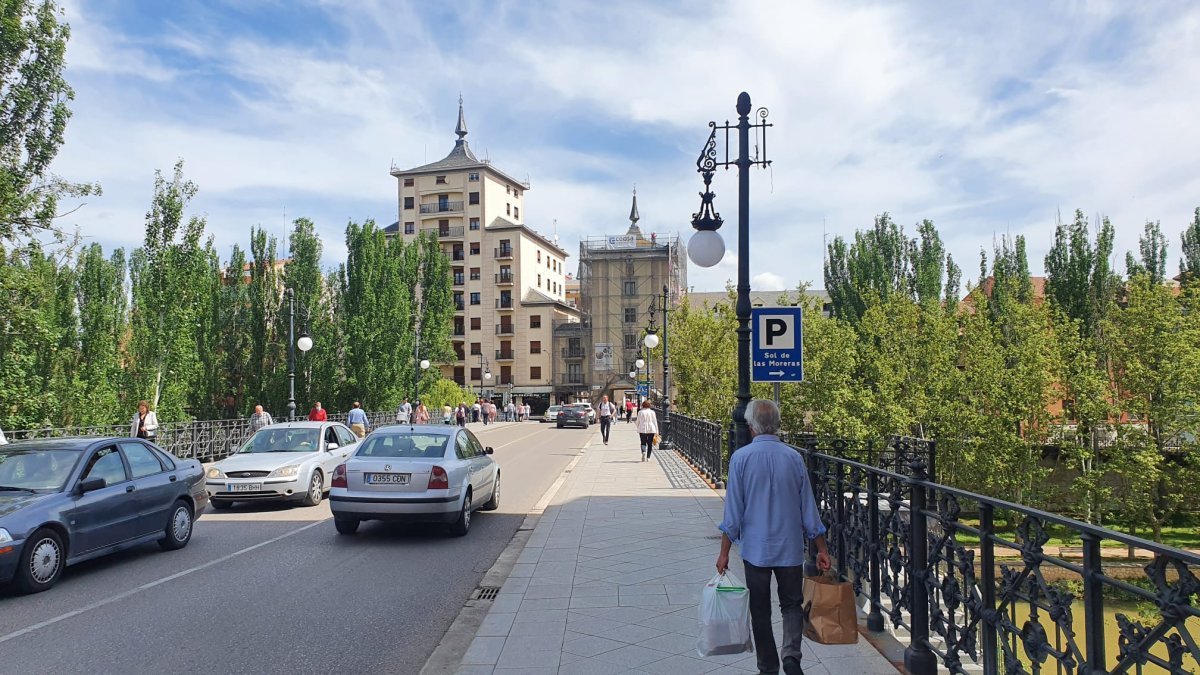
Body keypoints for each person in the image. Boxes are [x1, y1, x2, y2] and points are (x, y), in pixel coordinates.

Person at [716, 399, 830, 675]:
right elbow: (808, 508)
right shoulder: (793, 458)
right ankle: (791, 656)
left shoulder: (740, 459)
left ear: (751, 426)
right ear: (776, 425)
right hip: (789, 547)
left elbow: (733, 514)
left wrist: (723, 553)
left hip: (755, 550)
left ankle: (768, 667)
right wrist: (821, 548)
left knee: (760, 609)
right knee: (791, 604)